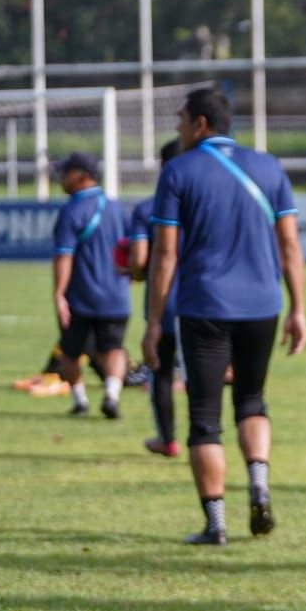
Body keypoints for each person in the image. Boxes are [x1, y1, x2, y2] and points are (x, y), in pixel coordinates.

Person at [141, 87, 306, 546]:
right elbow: (290, 245)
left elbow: (166, 253)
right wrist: (298, 308)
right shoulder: (269, 166)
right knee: (252, 399)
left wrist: (154, 321)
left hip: (204, 306)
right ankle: (258, 481)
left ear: (199, 124)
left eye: (180, 118)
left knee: (204, 417)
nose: (176, 127)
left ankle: (215, 524)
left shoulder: (178, 170)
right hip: (262, 304)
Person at [50, 151, 129, 419]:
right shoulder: (117, 207)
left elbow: (64, 255)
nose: (60, 178)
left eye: (65, 173)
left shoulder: (71, 210)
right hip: (116, 295)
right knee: (114, 348)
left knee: (70, 352)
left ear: (81, 176)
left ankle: (80, 401)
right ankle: (112, 393)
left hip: (81, 297)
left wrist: (59, 294)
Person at [127, 139, 183, 457]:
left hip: (163, 302)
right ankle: (210, 438)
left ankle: (168, 439)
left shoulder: (148, 209)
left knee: (159, 372)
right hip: (205, 301)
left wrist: (134, 272)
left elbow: (139, 260)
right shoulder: (206, 205)